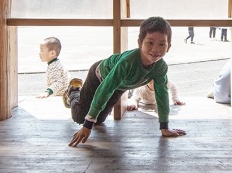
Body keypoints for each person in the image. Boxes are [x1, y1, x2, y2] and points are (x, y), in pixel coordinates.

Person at [66, 17, 187, 146]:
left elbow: (162, 95)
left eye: (162, 44)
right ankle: (74, 91)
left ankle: (87, 108)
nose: (156, 49)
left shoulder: (161, 67)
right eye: (150, 43)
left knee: (99, 120)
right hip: (99, 76)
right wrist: (87, 125)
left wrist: (164, 127)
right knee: (80, 117)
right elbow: (106, 88)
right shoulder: (127, 63)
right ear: (140, 43)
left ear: (168, 47)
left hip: (119, 87)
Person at [36, 37, 70, 106]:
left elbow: (58, 83)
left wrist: (47, 92)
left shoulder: (54, 67)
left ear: (52, 53)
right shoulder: (54, 64)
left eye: (42, 50)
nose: (40, 53)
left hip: (64, 96)